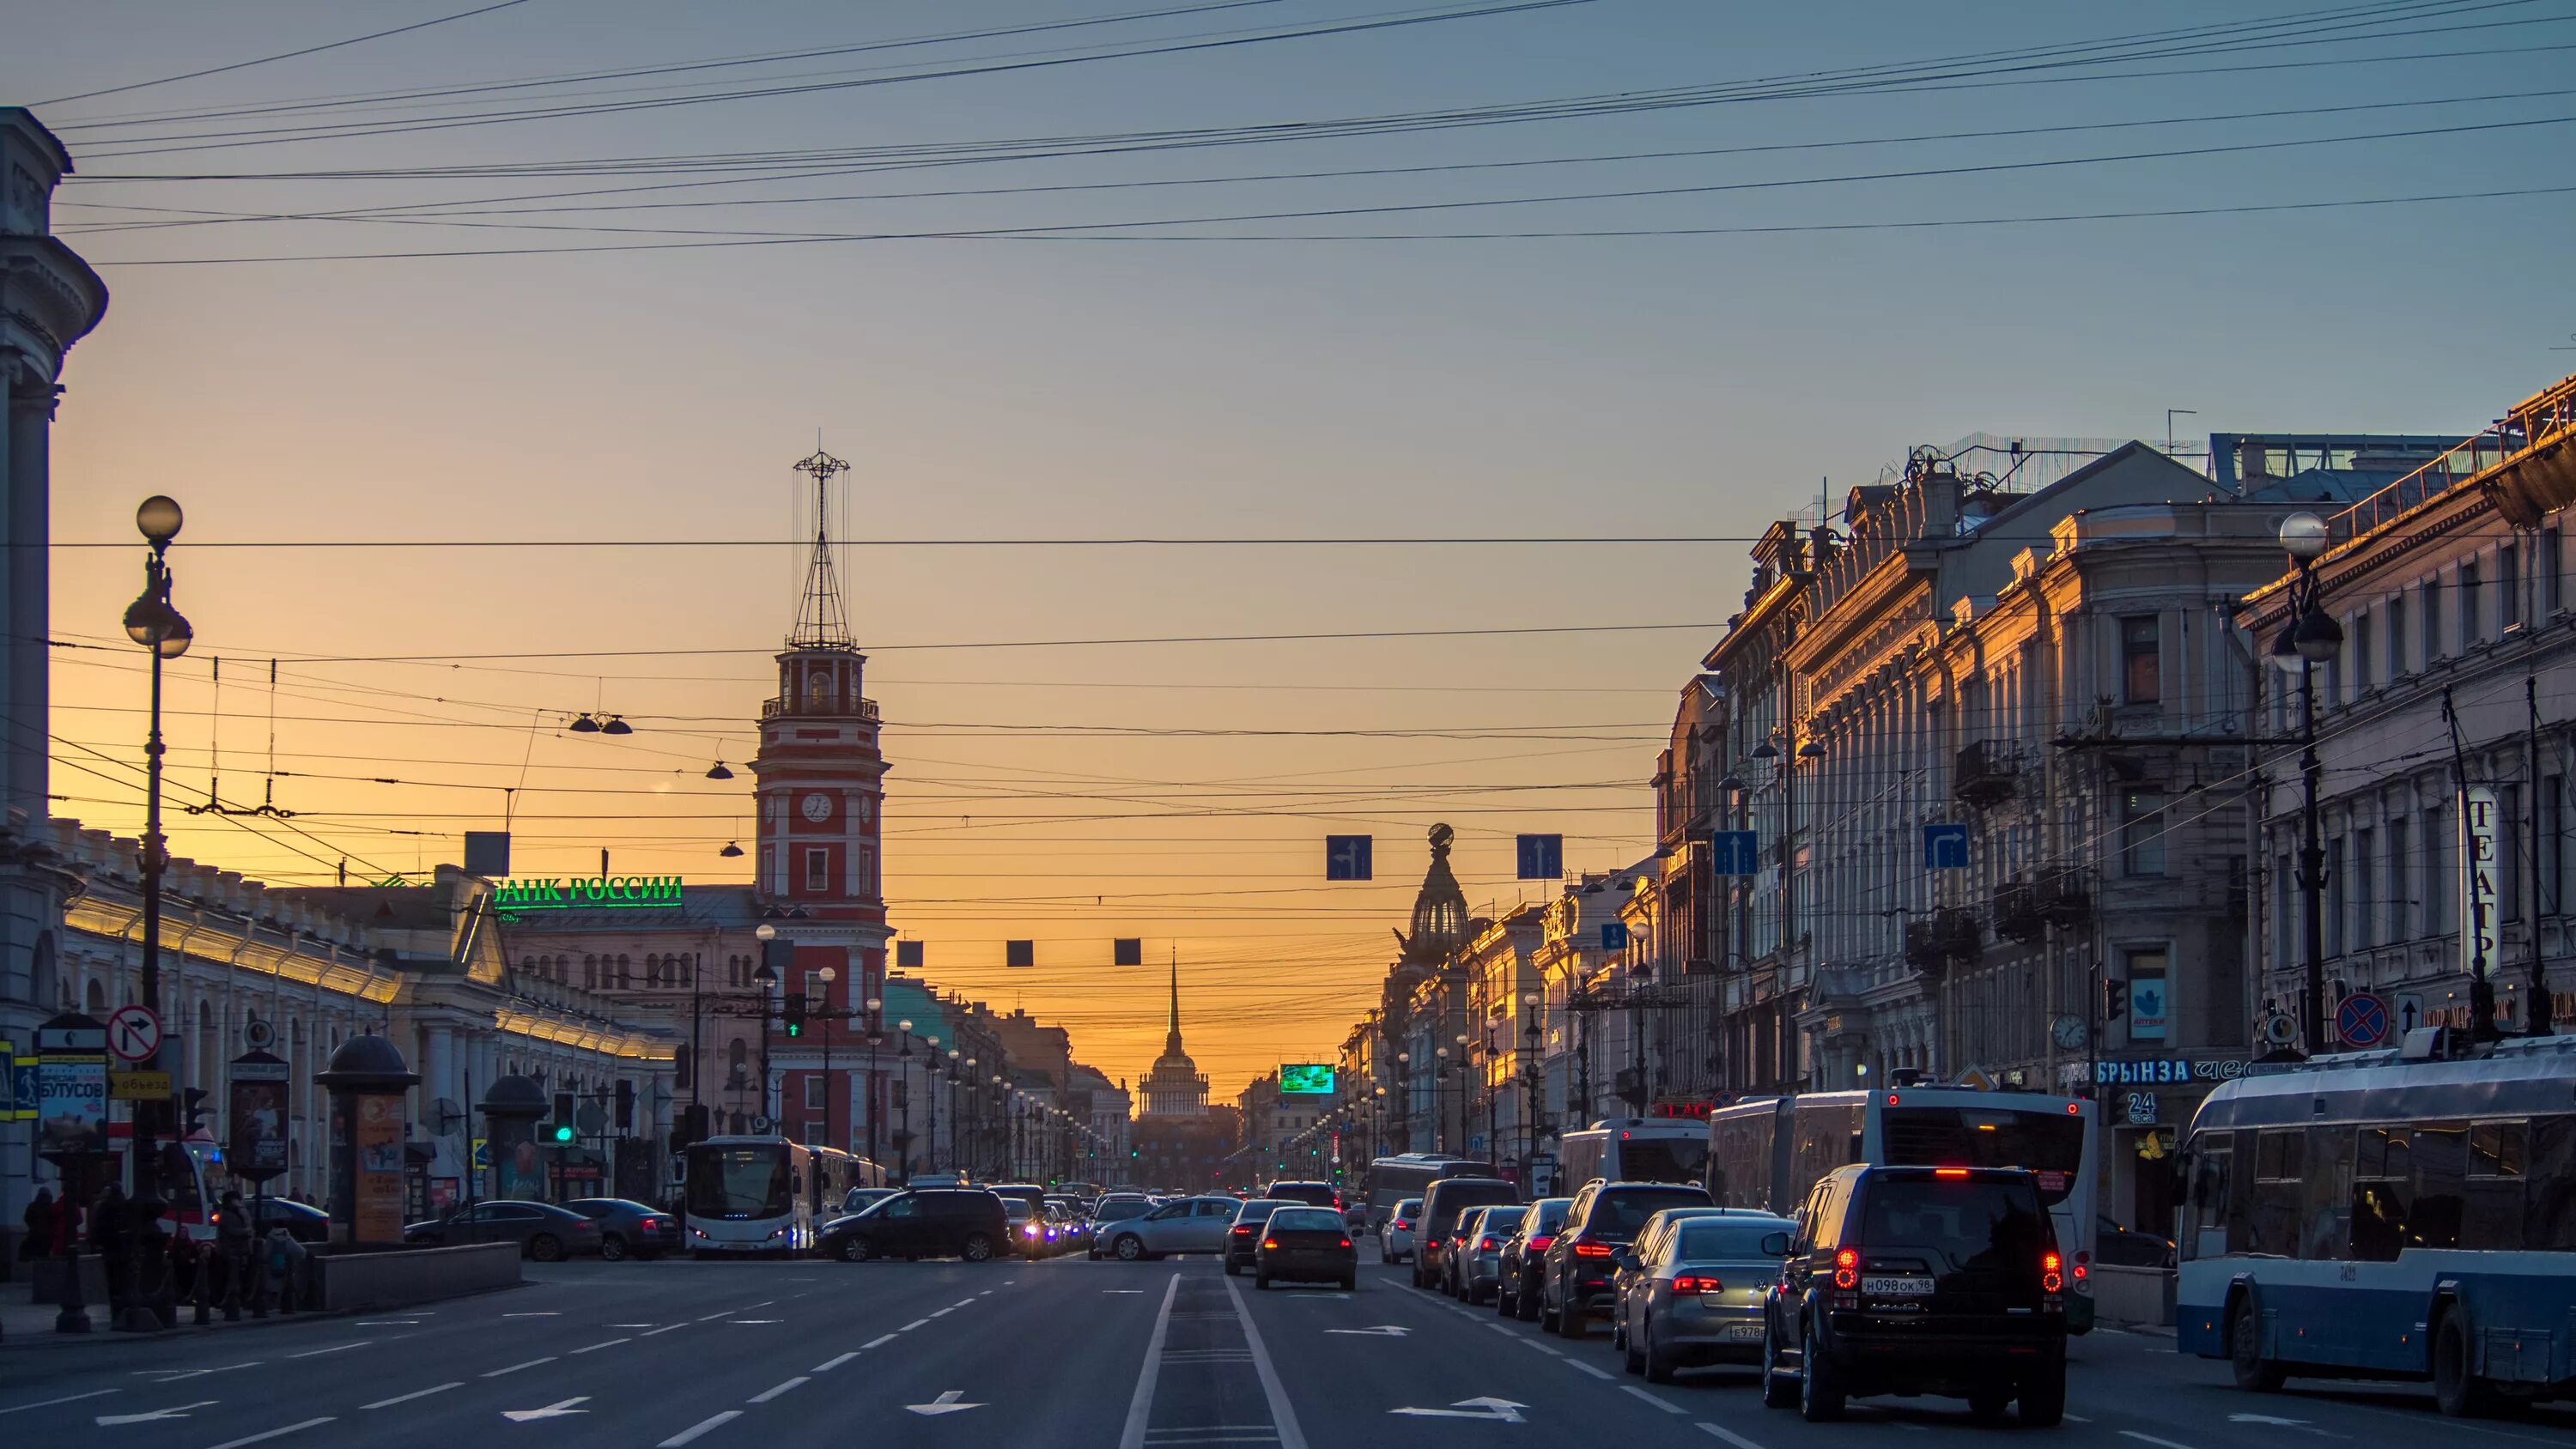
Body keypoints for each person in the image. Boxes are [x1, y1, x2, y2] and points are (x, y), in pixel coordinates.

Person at [20, 1188, 55, 1260]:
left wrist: (33, 1226)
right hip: (48, 1236)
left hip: (35, 1234)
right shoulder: (52, 1207)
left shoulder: (33, 1206)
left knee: (35, 1255)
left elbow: (27, 1218)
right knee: (45, 1255)